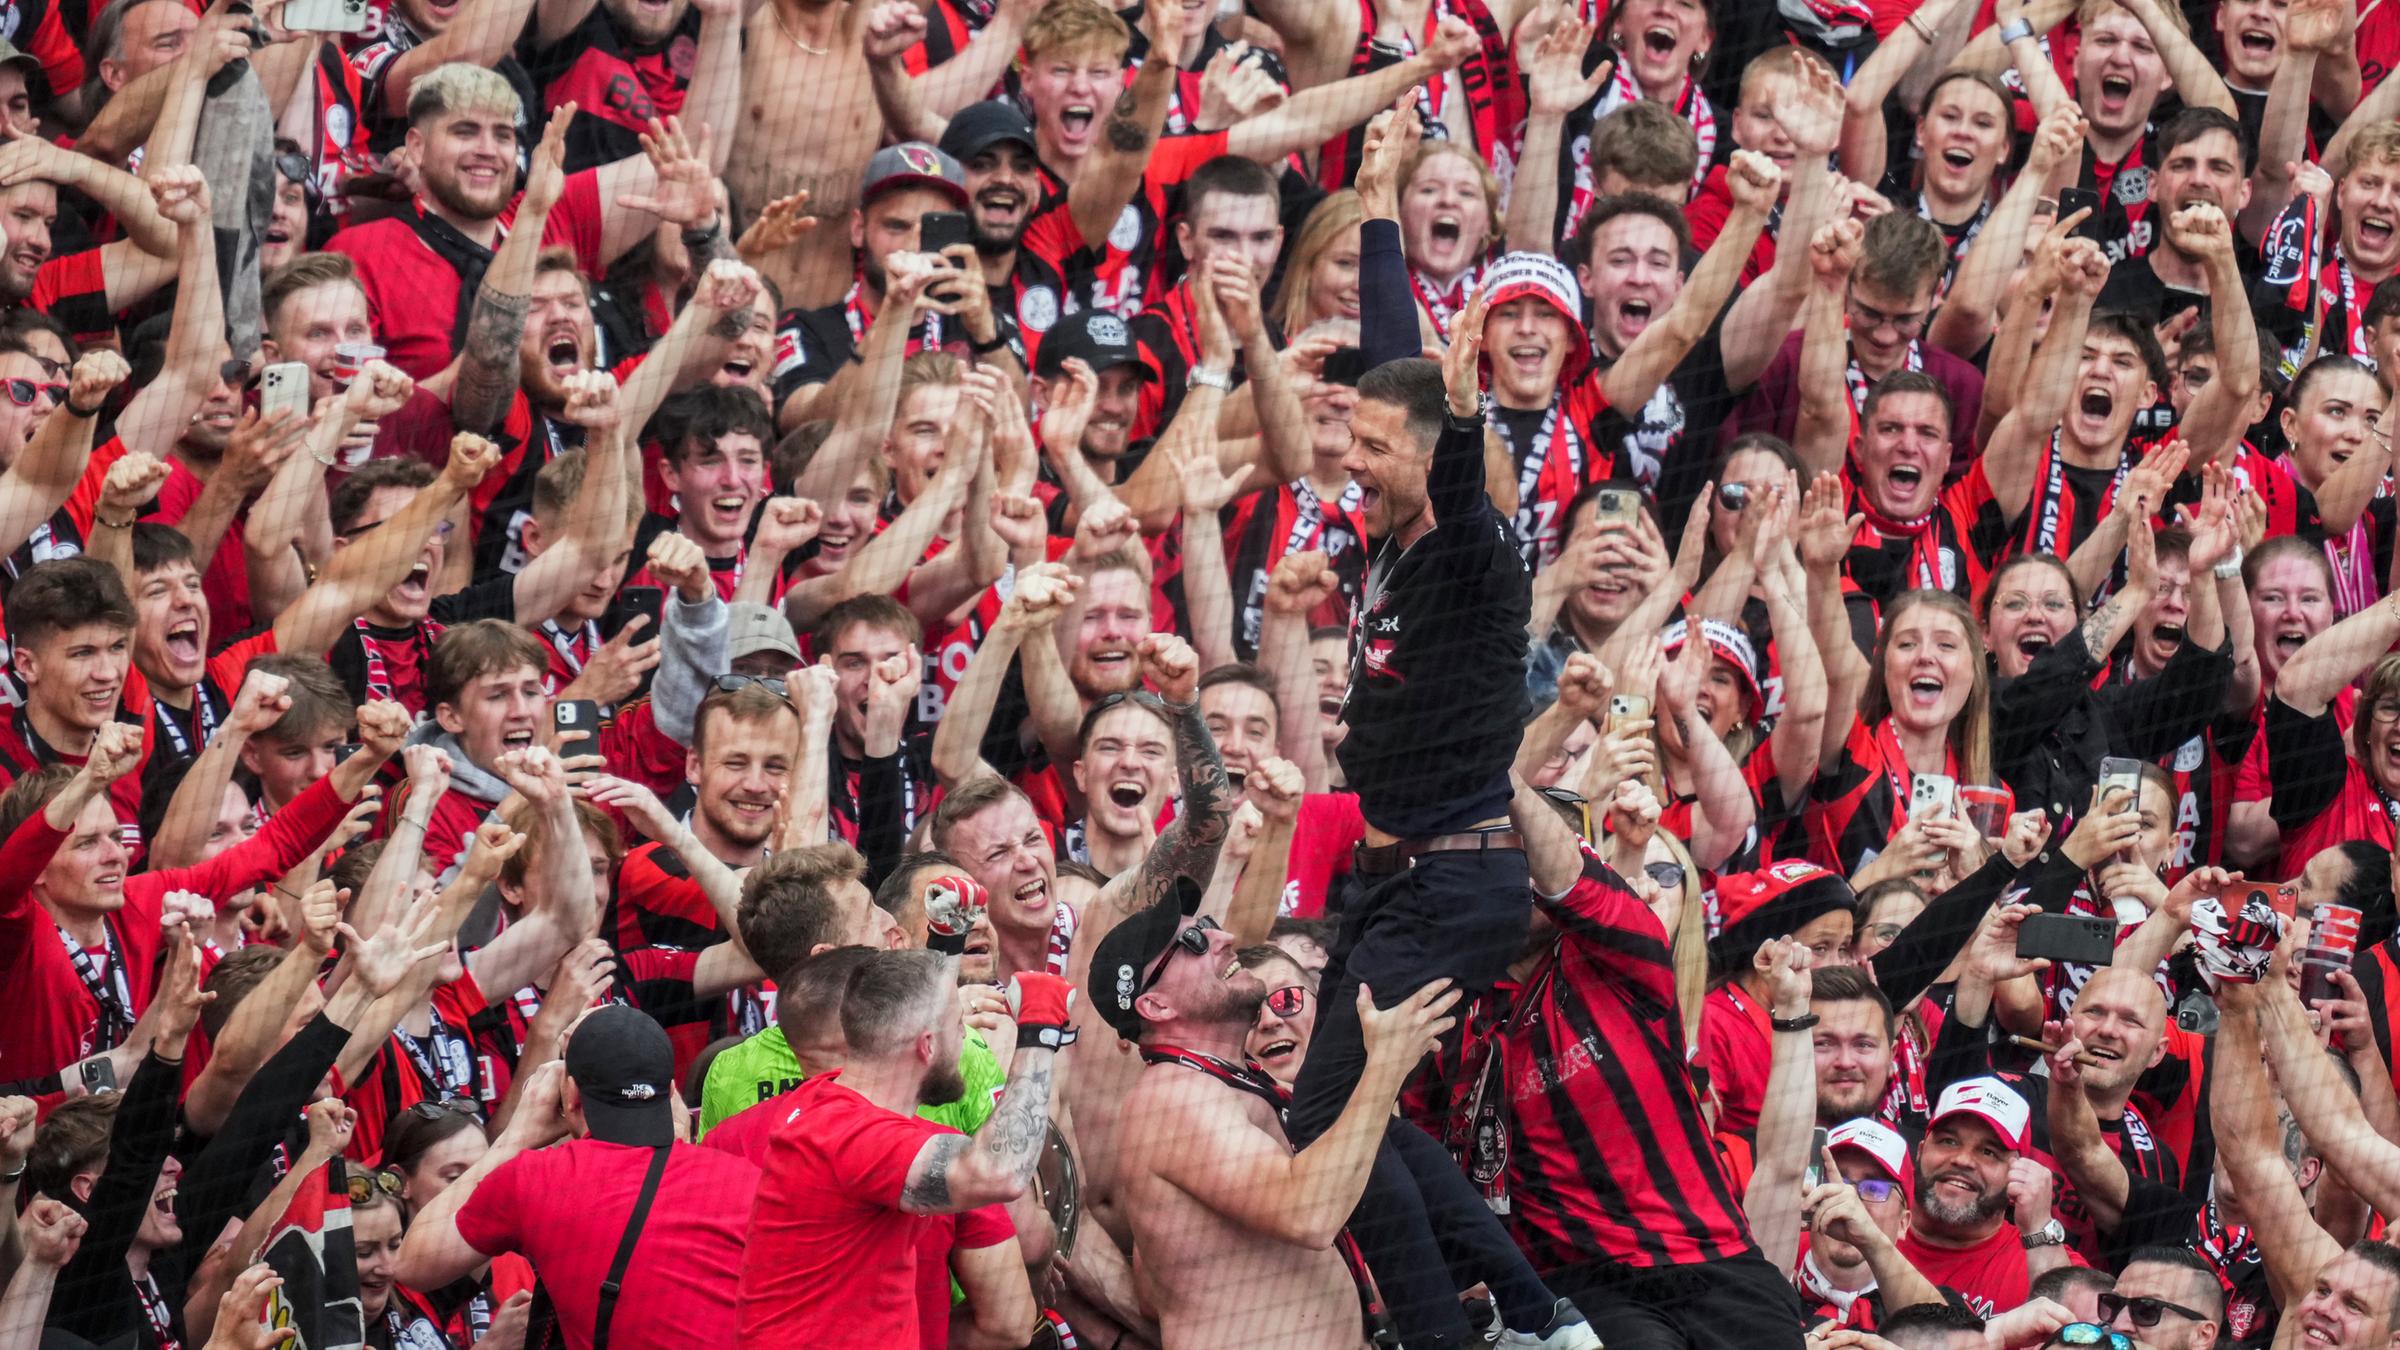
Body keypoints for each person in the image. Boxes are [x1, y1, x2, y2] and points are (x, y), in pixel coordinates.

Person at [736, 948, 1071, 1344]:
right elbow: (999, 1172)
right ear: (927, 1046)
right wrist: (1039, 1032)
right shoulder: (852, 1134)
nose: (965, 1036)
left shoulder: (831, 1105)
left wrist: (948, 938)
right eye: (959, 1023)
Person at [391, 1007, 760, 1349]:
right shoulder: (742, 1178)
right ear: (671, 1091)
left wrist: (515, 1138)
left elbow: (414, 1264)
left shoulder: (538, 1179)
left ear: (569, 1095)